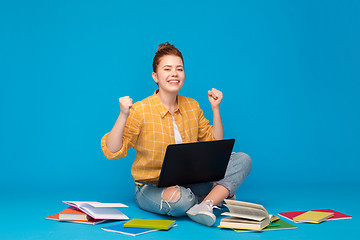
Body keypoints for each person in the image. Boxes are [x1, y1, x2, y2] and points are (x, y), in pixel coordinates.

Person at [101, 42, 252, 227]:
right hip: (151, 187)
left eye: (179, 69)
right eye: (167, 69)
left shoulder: (192, 106)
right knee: (182, 201)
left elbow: (216, 144)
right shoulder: (141, 110)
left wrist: (215, 108)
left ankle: (206, 204)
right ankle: (215, 197)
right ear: (155, 76)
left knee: (242, 159)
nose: (174, 73)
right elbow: (112, 150)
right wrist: (123, 114)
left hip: (191, 181)